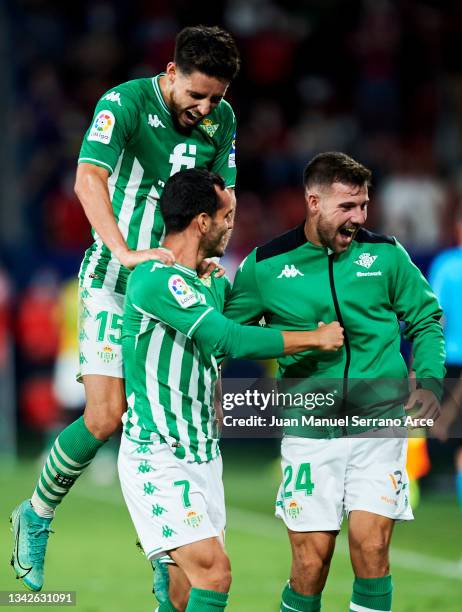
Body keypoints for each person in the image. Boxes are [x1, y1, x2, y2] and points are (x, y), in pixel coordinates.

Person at [10, 25, 241, 592]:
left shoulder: (223, 120)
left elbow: (224, 196)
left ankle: (164, 555)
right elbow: (89, 177)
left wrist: (213, 256)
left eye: (216, 97)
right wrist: (121, 249)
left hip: (174, 287)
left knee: (164, 426)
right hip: (114, 280)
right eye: (197, 95)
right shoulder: (125, 102)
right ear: (170, 73)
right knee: (105, 416)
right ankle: (36, 514)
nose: (206, 107)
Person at [224, 152, 445, 612]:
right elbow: (231, 338)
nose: (358, 218)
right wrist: (299, 341)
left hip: (379, 425)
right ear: (313, 202)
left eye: (363, 205)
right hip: (310, 431)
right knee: (311, 563)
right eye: (346, 207)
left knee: (372, 548)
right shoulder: (265, 266)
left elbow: (425, 316)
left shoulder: (385, 254)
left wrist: (428, 380)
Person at [118, 167, 344, 612]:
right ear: (202, 221)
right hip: (158, 452)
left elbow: (241, 321)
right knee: (215, 574)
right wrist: (314, 337)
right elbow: (229, 339)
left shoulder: (206, 282)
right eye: (227, 215)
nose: (231, 225)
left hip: (203, 454)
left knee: (183, 595)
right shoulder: (154, 280)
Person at [429, 207, 462, 506]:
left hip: (452, 357)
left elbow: (434, 316)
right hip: (453, 357)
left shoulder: (448, 264)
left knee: (448, 431)